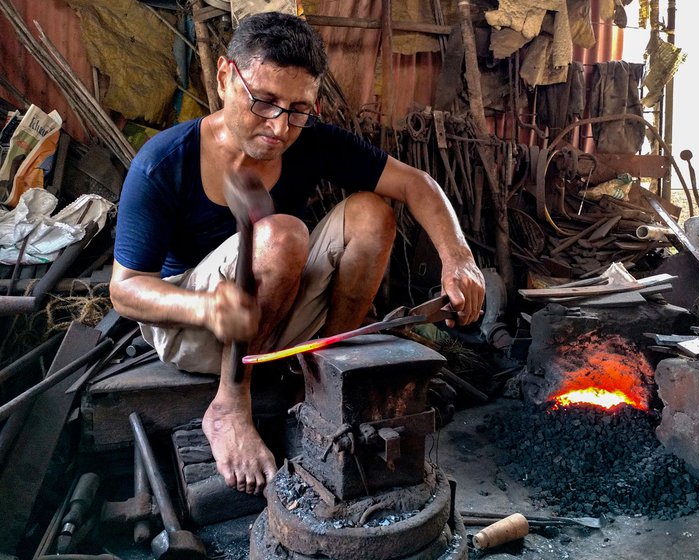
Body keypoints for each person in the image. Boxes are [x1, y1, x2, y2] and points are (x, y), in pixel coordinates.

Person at [110, 11, 485, 496]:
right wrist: (207, 307)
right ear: (226, 76)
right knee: (284, 234)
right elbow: (125, 292)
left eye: (298, 109)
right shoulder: (164, 161)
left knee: (372, 212)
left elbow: (416, 184)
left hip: (274, 320)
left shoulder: (310, 140)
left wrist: (460, 260)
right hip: (194, 331)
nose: (280, 126)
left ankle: (325, 370)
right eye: (264, 102)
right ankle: (229, 404)